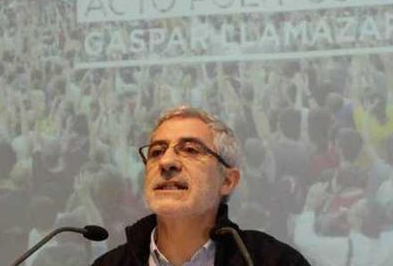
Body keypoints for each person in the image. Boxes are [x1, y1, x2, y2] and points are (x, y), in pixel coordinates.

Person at [92, 106, 309, 266]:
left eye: (190, 150)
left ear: (227, 181)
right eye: (156, 152)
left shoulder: (272, 261)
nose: (166, 162)